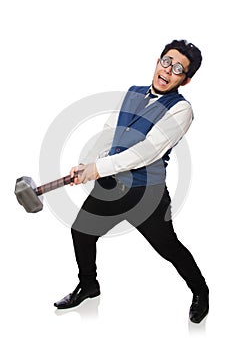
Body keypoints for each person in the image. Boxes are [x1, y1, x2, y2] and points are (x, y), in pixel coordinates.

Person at [54, 40, 209, 324]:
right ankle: (89, 285)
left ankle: (201, 291)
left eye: (177, 69)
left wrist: (98, 168)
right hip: (111, 183)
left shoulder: (181, 110)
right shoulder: (132, 92)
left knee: (168, 247)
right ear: (158, 60)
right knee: (82, 231)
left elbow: (147, 152)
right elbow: (111, 132)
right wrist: (88, 165)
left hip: (145, 194)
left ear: (185, 79)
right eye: (166, 61)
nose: (167, 70)